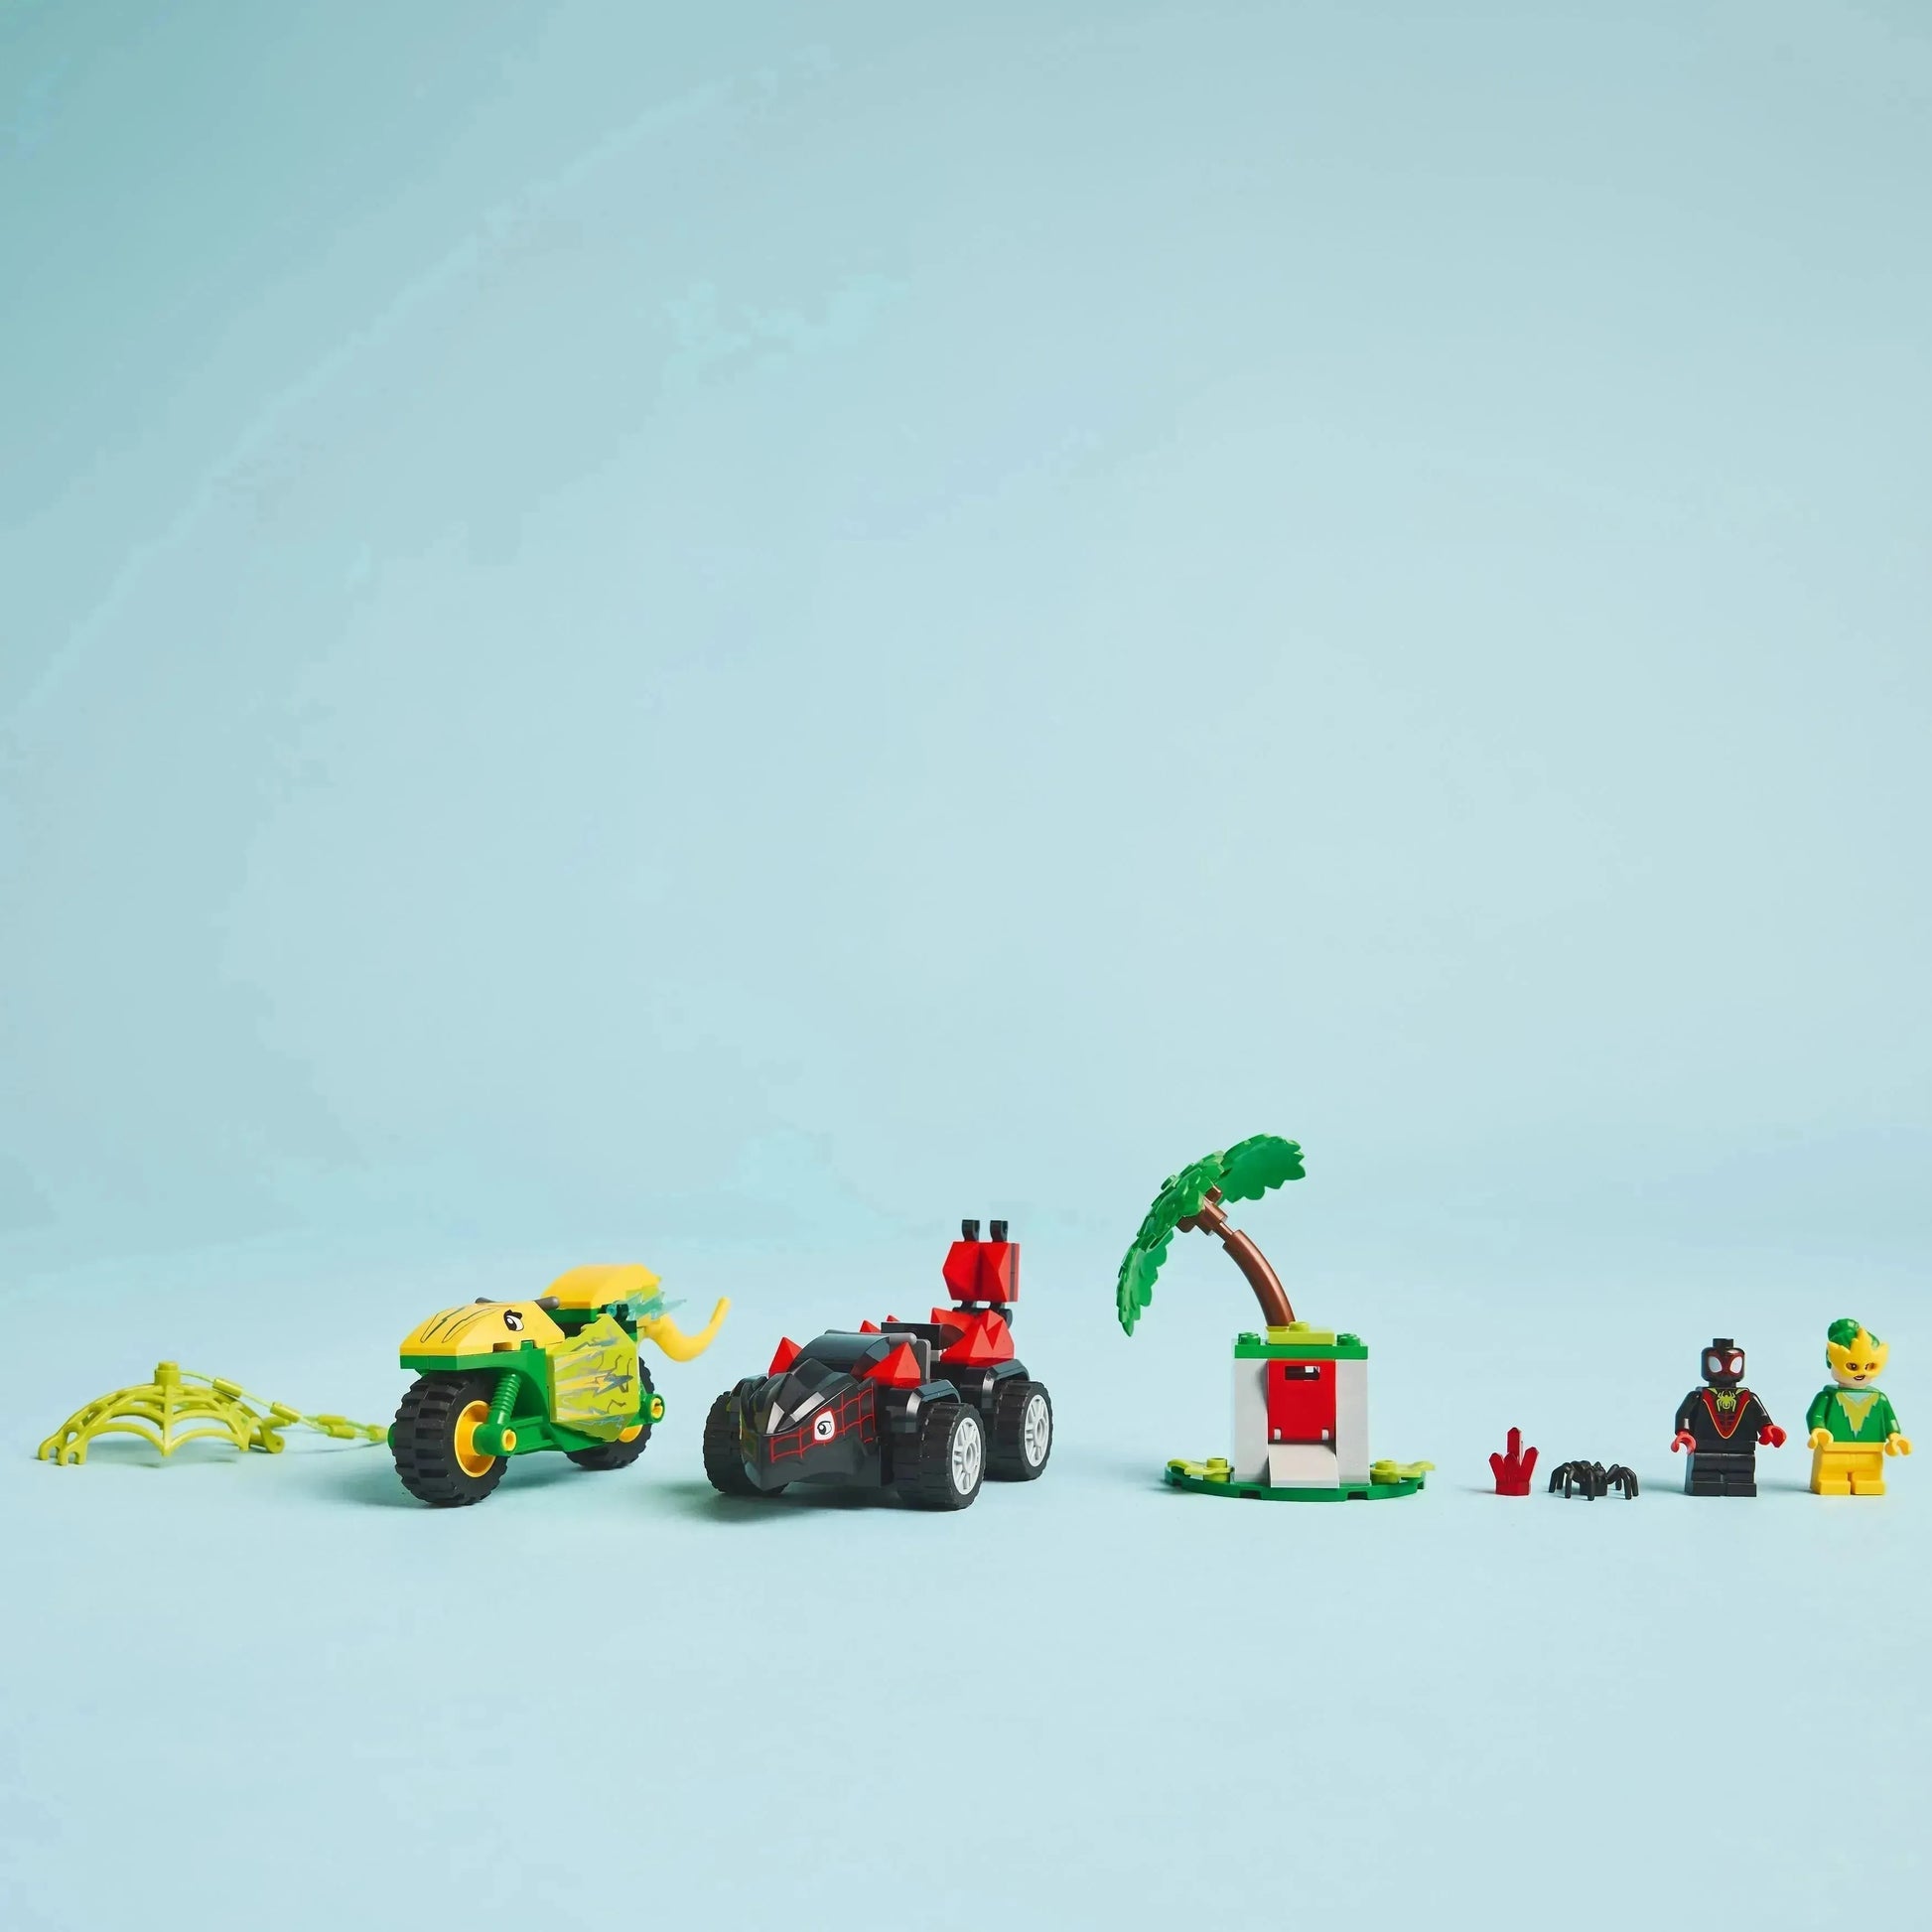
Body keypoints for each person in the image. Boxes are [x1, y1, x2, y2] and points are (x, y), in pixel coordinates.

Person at [1806, 1318, 1911, 1497]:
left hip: (1870, 1449)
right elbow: (1815, 1415)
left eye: (1870, 1366)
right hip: (1833, 1448)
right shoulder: (1828, 1396)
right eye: (1852, 1366)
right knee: (1832, 1473)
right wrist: (1818, 1429)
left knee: (1868, 1473)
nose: (1861, 1372)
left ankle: (1868, 1481)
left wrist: (1894, 1436)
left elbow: (1889, 1420)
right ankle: (1832, 1480)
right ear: (1831, 1361)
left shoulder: (1879, 1398)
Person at [1670, 1337, 1784, 1496]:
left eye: (1733, 1364)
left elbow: (1760, 1415)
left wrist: (1767, 1428)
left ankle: (1740, 1484)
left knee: (1742, 1470)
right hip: (1705, 1444)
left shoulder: (1748, 1397)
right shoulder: (1698, 1396)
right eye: (1716, 1364)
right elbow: (1684, 1414)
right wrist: (1683, 1432)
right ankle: (1705, 1484)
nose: (1724, 1371)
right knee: (1704, 1470)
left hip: (1742, 1445)